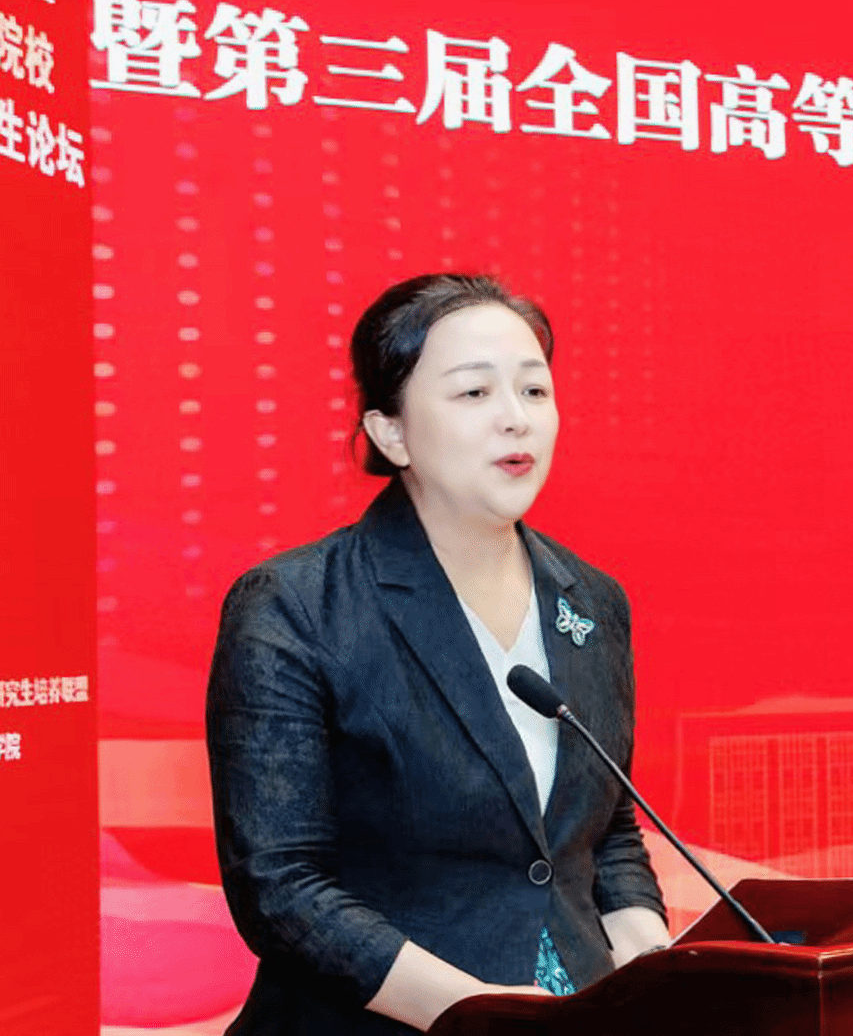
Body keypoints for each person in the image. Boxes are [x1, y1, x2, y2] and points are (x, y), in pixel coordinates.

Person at [206, 273, 671, 1035]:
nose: (515, 418)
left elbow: (604, 831)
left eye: (534, 390)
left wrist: (657, 975)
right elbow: (281, 886)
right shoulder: (296, 605)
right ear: (391, 432)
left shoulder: (591, 599)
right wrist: (473, 1011)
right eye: (474, 393)